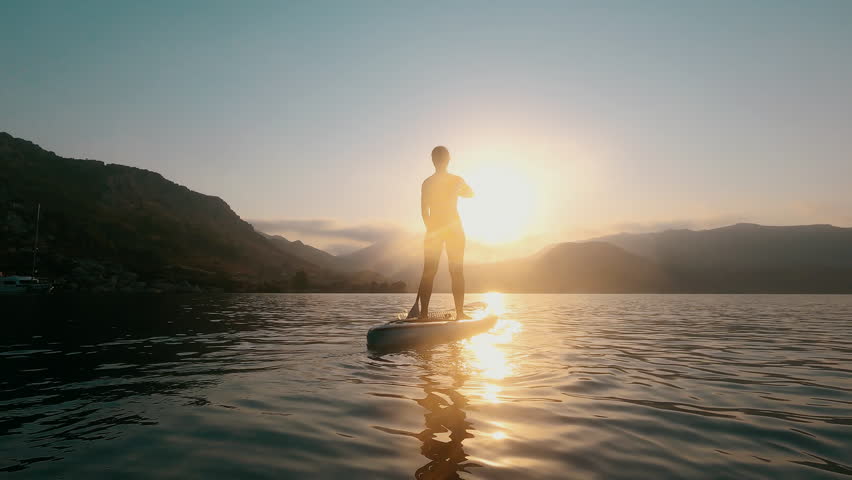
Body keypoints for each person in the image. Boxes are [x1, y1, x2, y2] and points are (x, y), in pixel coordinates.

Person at [415, 146, 473, 320]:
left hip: (436, 230)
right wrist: (457, 189)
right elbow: (471, 194)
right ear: (449, 160)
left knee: (429, 272)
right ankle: (460, 313)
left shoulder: (428, 182)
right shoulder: (456, 180)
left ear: (433, 160)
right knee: (456, 271)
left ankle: (424, 314)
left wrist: (431, 230)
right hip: (453, 230)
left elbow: (424, 212)